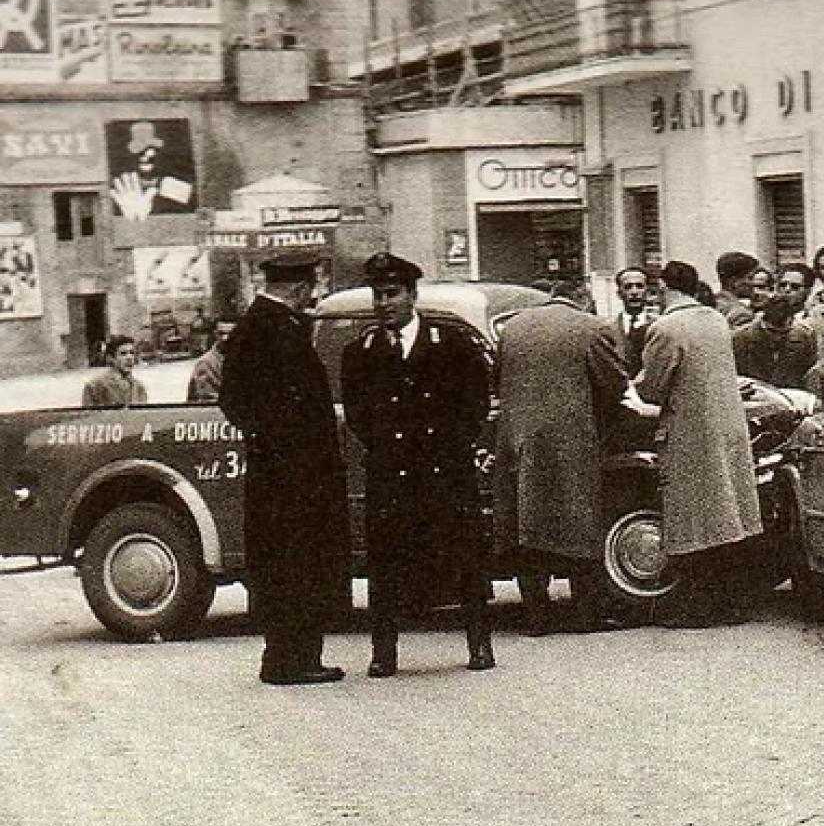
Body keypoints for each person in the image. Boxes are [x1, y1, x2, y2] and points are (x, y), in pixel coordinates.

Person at [340, 254, 494, 676]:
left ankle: (479, 644)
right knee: (386, 563)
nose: (383, 303)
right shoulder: (361, 352)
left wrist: (454, 442)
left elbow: (476, 400)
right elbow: (357, 412)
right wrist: (383, 444)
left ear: (412, 295)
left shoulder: (450, 345)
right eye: (378, 295)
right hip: (392, 473)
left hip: (444, 471)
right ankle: (383, 652)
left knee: (464, 557)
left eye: (392, 294)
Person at [219, 251, 348, 686]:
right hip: (292, 477)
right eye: (309, 287)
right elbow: (241, 402)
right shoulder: (272, 330)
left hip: (281, 474)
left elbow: (236, 402)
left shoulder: (260, 326)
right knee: (296, 564)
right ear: (297, 288)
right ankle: (292, 660)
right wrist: (284, 443)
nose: (311, 295)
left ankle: (287, 656)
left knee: (289, 564)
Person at [495, 275, 633, 634]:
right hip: (570, 442)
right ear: (583, 298)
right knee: (578, 522)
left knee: (527, 526)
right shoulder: (592, 328)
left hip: (517, 441)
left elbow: (498, 378)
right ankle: (587, 613)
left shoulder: (513, 328)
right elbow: (615, 384)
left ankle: (536, 616)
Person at [635, 261, 764, 627]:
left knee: (693, 521)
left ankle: (697, 608)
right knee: (727, 517)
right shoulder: (714, 319)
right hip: (725, 428)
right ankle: (733, 604)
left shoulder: (666, 327)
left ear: (663, 289)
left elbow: (652, 387)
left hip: (690, 433)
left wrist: (633, 389)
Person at [732, 297, 817, 388]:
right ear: (763, 321)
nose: (777, 337)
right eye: (772, 331)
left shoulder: (805, 337)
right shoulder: (741, 338)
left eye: (784, 332)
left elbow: (808, 373)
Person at [82, 335, 148, 407]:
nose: (129, 357)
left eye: (132, 353)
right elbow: (89, 416)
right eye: (123, 354)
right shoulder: (94, 386)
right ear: (111, 358)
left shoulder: (139, 387)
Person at [613, 266, 654, 374]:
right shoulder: (607, 328)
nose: (634, 292)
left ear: (648, 292)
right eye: (628, 287)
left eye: (639, 286)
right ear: (619, 294)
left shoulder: (659, 326)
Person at [185, 318, 234, 403]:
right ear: (215, 334)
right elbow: (206, 399)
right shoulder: (206, 364)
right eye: (221, 333)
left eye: (231, 333)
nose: (226, 338)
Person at [713, 251, 760, 329]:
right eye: (750, 278)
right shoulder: (740, 314)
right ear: (734, 281)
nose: (754, 283)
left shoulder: (714, 302)